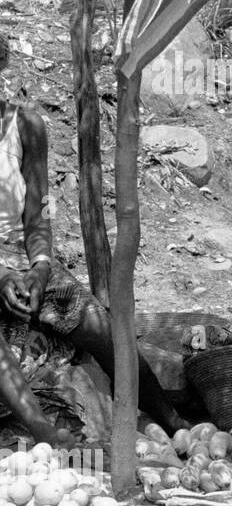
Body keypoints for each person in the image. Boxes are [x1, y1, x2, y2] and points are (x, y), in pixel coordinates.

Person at [0, 97, 181, 443]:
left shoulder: (26, 126)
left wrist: (39, 269)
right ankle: (41, 427)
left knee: (99, 325)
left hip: (21, 259)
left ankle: (172, 419)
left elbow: (37, 217)